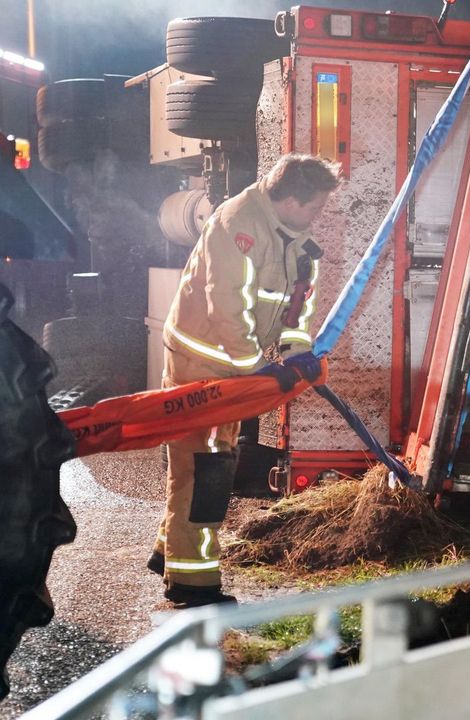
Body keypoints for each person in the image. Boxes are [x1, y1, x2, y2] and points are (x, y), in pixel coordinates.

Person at [150, 154, 341, 608]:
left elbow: (299, 301)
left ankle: (170, 553)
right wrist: (256, 367)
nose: (319, 215)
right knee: (205, 469)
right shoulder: (235, 225)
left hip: (232, 364)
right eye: (315, 206)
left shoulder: (295, 235)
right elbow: (227, 307)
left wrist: (297, 352)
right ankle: (192, 587)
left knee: (206, 463)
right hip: (200, 361)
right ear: (291, 199)